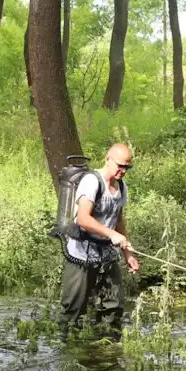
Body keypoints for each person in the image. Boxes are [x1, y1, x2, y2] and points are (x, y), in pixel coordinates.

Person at [60, 143, 140, 339]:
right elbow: (83, 219)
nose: (123, 171)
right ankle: (67, 348)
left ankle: (106, 349)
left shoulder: (121, 186)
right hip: (82, 252)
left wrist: (128, 254)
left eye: (127, 167)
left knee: (114, 305)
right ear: (107, 159)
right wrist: (110, 234)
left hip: (107, 253)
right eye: (120, 166)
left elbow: (118, 220)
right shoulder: (91, 181)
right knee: (74, 308)